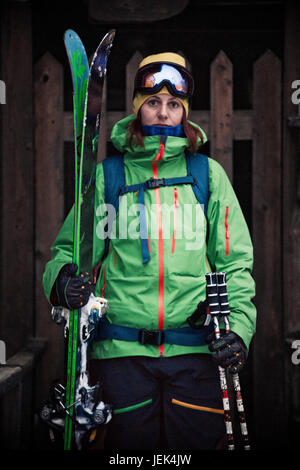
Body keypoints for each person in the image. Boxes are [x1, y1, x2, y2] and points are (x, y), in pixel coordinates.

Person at [43, 52, 256, 450]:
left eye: (173, 104)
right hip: (121, 355)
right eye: (153, 103)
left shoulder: (206, 177)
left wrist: (239, 330)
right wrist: (62, 280)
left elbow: (235, 263)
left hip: (196, 352)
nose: (163, 113)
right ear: (139, 110)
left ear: (184, 113)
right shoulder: (110, 177)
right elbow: (68, 252)